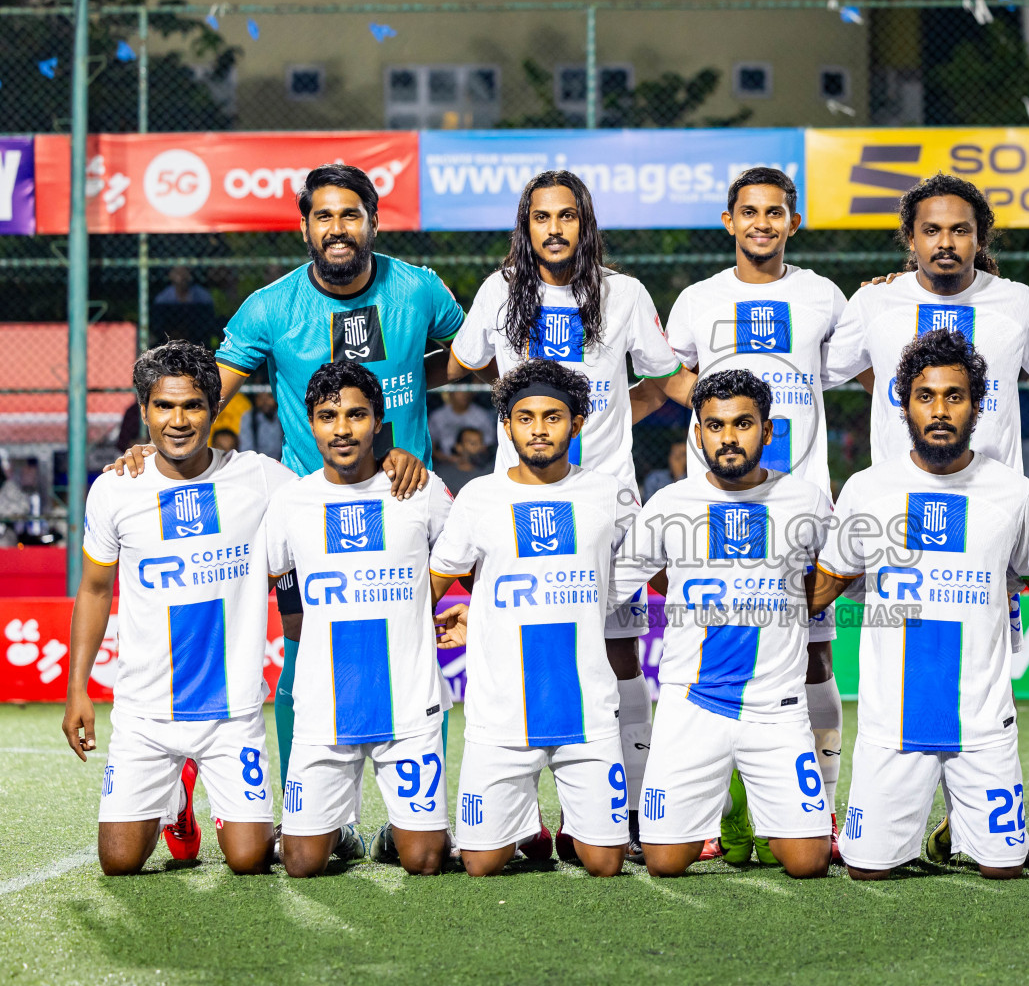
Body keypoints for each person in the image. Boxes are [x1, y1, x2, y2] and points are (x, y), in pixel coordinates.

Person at [108, 163, 453, 800]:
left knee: (417, 652)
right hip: (309, 513)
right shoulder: (270, 307)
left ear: (372, 221)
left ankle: (415, 808)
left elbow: (466, 357)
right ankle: (313, 811)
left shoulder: (421, 290)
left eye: (351, 214)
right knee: (304, 650)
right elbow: (207, 395)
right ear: (304, 228)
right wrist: (151, 443)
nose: (338, 227)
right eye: (323, 216)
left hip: (403, 501)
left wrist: (404, 427)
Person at [445, 170, 690, 857]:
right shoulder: (498, 292)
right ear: (525, 227)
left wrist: (634, 413)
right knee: (515, 653)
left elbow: (665, 375)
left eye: (567, 216)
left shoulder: (625, 294)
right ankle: (519, 822)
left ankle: (634, 812)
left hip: (606, 499)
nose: (554, 229)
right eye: (541, 218)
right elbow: (464, 360)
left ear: (585, 224)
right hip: (515, 500)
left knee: (617, 651)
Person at [808, 328, 1029, 879]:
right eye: (926, 396)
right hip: (890, 730)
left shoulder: (1015, 492)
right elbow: (824, 588)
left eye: (955, 395)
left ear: (978, 404)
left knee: (1004, 869)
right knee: (867, 870)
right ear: (904, 404)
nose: (941, 409)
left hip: (982, 728)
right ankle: (921, 814)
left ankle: (957, 822)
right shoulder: (867, 490)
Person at [652, 166, 850, 862]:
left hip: (798, 501)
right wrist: (713, 401)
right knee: (715, 651)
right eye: (750, 212)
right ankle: (711, 814)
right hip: (716, 502)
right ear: (729, 221)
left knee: (810, 655)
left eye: (776, 212)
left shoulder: (824, 294)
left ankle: (815, 809)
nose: (762, 223)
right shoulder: (698, 299)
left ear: (793, 222)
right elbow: (665, 375)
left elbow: (857, 369)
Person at [64, 341, 294, 875]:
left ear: (215, 410)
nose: (178, 420)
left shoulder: (257, 476)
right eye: (163, 406)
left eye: (192, 405)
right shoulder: (115, 489)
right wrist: (77, 688)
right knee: (118, 863)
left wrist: (389, 457)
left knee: (249, 859)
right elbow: (96, 590)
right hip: (146, 714)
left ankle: (192, 789)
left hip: (231, 713)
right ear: (144, 411)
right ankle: (179, 802)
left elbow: (331, 489)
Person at [611, 369, 833, 879]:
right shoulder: (669, 505)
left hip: (776, 709)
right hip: (690, 706)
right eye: (714, 425)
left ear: (768, 430)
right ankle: (730, 804)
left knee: (807, 863)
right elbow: (612, 587)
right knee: (665, 863)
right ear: (698, 434)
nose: (728, 438)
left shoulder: (805, 501)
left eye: (742, 424)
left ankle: (749, 791)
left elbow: (846, 570)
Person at [429, 360, 638, 877]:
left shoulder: (609, 494)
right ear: (507, 425)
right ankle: (524, 822)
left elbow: (633, 576)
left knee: (606, 864)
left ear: (578, 423)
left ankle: (569, 821)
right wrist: (475, 616)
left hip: (584, 711)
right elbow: (431, 585)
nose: (539, 429)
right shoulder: (480, 497)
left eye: (552, 416)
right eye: (525, 418)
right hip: (500, 714)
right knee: (480, 865)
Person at [263, 361, 456, 877]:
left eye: (356, 415)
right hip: (325, 708)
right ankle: (342, 832)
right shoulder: (290, 500)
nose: (342, 429)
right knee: (301, 863)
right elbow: (256, 575)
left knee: (427, 860)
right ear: (310, 422)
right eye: (328, 416)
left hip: (409, 706)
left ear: (378, 419)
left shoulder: (422, 489)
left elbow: (474, 560)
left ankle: (398, 833)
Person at [824, 173, 1029, 474]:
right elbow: (814, 373)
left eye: (959, 230)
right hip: (898, 497)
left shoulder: (1018, 303)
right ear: (911, 238)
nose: (945, 242)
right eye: (932, 230)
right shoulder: (873, 303)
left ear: (979, 238)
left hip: (993, 498)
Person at [151, 265, 217, 346]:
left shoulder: (202, 296)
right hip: (170, 336)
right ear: (170, 276)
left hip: (196, 336)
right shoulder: (163, 298)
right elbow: (158, 325)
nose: (182, 277)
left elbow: (208, 321)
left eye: (185, 272)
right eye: (178, 273)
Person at [430, 389, 496, 468]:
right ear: (450, 394)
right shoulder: (437, 416)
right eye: (460, 390)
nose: (464, 394)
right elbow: (430, 447)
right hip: (443, 465)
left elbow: (490, 446)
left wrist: (475, 460)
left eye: (467, 390)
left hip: (479, 466)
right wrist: (446, 459)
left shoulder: (482, 415)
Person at [437, 426, 495, 496]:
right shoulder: (443, 474)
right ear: (459, 447)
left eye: (481, 443)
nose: (478, 447)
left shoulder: (490, 474)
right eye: (473, 443)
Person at [239, 391, 284, 460]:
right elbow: (246, 450)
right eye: (260, 397)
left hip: (283, 463)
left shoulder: (284, 416)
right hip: (258, 464)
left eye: (269, 396)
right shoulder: (249, 417)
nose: (264, 401)